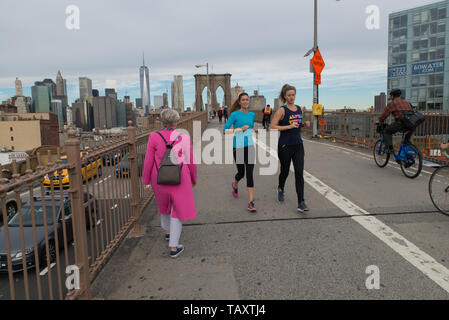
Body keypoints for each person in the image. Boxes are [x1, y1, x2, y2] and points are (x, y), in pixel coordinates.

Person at [142, 108, 197, 258]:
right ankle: (174, 247)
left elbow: (148, 161)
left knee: (164, 205)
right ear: (176, 121)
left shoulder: (154, 136)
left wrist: (146, 180)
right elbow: (191, 160)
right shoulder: (183, 137)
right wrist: (194, 178)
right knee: (177, 210)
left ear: (161, 121)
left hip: (158, 177)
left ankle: (168, 232)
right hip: (180, 176)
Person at [271, 84, 311, 213]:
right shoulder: (282, 110)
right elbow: (272, 126)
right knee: (285, 171)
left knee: (299, 173)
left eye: (293, 95)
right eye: (289, 95)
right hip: (285, 146)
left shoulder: (300, 109)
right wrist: (288, 126)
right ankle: (281, 188)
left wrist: (304, 124)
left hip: (298, 145)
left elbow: (298, 125)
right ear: (285, 96)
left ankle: (301, 202)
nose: (291, 97)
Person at [223, 92, 257, 212]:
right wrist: (240, 129)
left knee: (250, 174)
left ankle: (251, 202)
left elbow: (250, 127)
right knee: (241, 173)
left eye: (247, 100)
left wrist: (254, 131)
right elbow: (225, 130)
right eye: (243, 100)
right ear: (239, 102)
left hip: (250, 147)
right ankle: (235, 184)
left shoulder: (252, 115)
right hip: (237, 147)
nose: (245, 102)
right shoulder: (234, 115)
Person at [378, 89, 413, 154]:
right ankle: (408, 155)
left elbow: (384, 115)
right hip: (412, 124)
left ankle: (390, 149)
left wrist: (380, 122)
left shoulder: (392, 103)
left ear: (392, 96)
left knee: (386, 131)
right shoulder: (407, 102)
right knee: (406, 141)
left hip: (401, 123)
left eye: (391, 96)